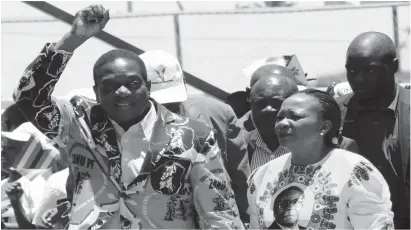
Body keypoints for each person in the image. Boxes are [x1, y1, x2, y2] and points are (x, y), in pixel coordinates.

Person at [12, 4, 238, 229]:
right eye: (110, 86)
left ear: (148, 87)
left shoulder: (193, 136)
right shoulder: (78, 124)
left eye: (132, 83)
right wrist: (73, 39)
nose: (122, 92)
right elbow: (27, 96)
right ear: (96, 93)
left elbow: (219, 213)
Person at [248, 89, 394, 229]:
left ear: (324, 126)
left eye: (295, 117)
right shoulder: (262, 175)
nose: (282, 123)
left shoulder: (355, 171)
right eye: (280, 118)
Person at [139, 50, 249, 226]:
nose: (166, 112)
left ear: (184, 84)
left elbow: (239, 174)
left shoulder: (219, 112)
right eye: (158, 104)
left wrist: (247, 219)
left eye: (172, 103)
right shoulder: (126, 124)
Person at [338, 31, 410, 229]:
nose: (358, 79)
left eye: (369, 71)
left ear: (393, 66)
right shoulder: (333, 114)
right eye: (351, 71)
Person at [247, 75, 298, 171]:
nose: (268, 110)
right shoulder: (238, 147)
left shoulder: (312, 148)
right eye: (260, 103)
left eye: (277, 103)